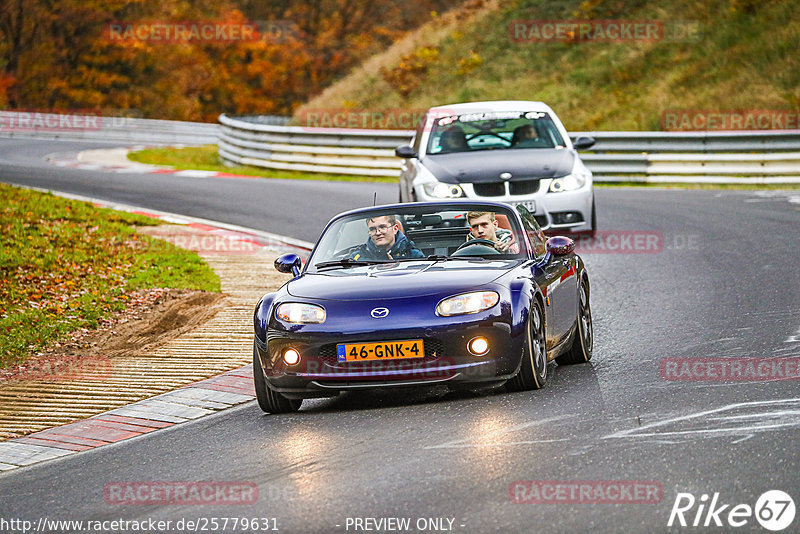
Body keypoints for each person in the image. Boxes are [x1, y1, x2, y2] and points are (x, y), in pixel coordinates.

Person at [349, 215, 424, 260]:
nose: (378, 233)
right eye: (372, 229)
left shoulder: (414, 256)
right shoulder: (357, 258)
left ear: (395, 229)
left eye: (382, 227)